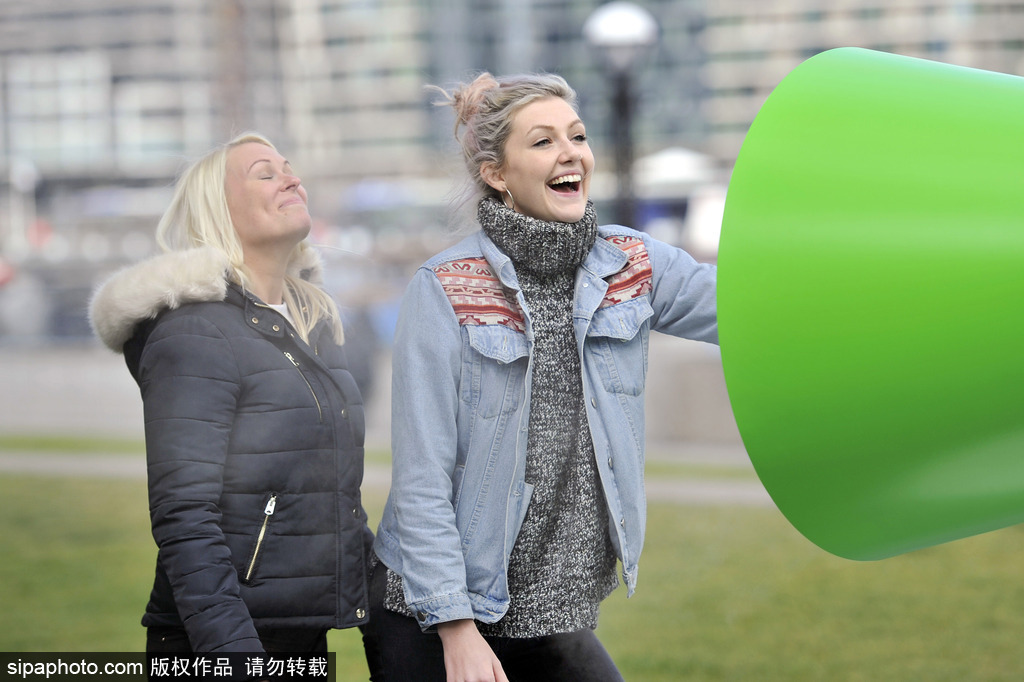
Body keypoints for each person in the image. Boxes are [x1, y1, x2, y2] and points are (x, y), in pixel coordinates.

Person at [362, 73, 718, 681]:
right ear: (497, 174)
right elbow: (422, 479)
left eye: (577, 136)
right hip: (432, 613)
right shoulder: (444, 288)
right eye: (543, 141)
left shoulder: (632, 263)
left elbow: (751, 308)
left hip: (547, 616)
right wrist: (457, 631)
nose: (570, 153)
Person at [89, 132, 373, 654]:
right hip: (221, 641)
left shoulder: (310, 324)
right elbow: (185, 517)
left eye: (289, 168)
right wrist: (235, 654)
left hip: (300, 637)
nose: (291, 179)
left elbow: (334, 502)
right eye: (266, 173)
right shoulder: (195, 332)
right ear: (218, 210)